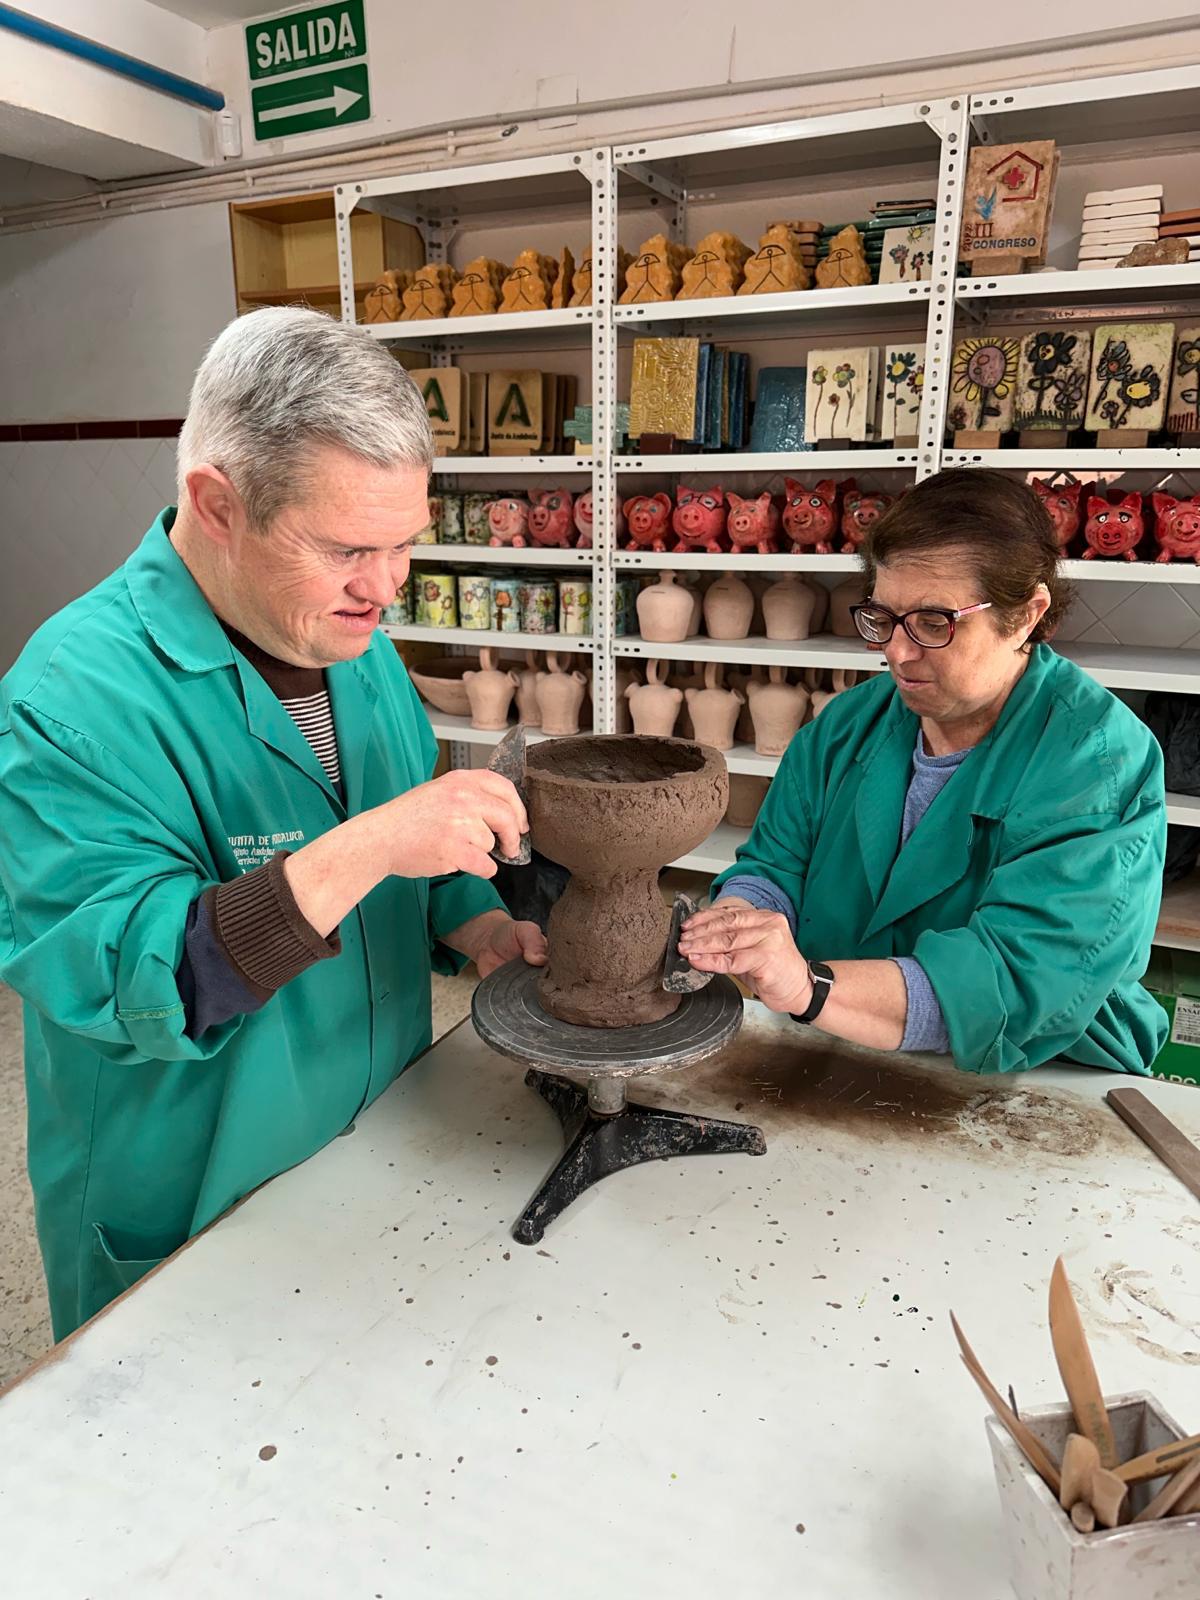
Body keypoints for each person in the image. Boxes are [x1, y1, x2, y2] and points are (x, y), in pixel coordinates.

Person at [0, 307, 546, 1338]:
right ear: (218, 504)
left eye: (404, 545)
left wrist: (472, 918)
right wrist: (368, 844)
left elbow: (409, 862)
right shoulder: (67, 704)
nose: (385, 588)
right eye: (346, 547)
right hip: (197, 1201)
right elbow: (145, 982)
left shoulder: (362, 653)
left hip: (374, 1146)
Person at [679, 469, 1167, 1075]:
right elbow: (774, 865)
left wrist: (808, 987)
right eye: (883, 617)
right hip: (836, 1037)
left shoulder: (1096, 763)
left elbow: (1013, 982)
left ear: (1026, 615)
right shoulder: (846, 726)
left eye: (935, 622)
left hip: (1034, 1072)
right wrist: (744, 918)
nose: (897, 652)